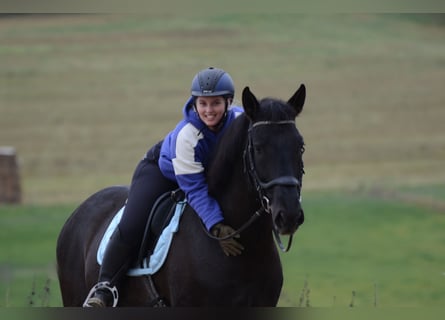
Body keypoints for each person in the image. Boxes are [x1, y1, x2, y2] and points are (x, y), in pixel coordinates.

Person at [84, 67, 245, 307]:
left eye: (215, 103)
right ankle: (105, 288)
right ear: (195, 103)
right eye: (203, 104)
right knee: (133, 223)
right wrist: (216, 226)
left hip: (204, 172)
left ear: (229, 102)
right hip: (162, 172)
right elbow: (196, 190)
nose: (208, 110)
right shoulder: (188, 135)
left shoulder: (240, 121)